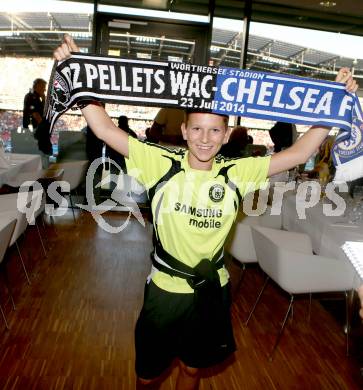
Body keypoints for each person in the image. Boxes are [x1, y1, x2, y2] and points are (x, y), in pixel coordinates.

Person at [54, 35, 358, 390]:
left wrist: (332, 107)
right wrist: (75, 73)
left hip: (212, 289)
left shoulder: (237, 171)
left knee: (193, 368)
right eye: (196, 128)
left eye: (215, 130)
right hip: (165, 291)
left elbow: (296, 153)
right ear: (184, 130)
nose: (204, 138)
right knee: (148, 374)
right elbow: (104, 127)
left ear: (226, 135)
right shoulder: (159, 161)